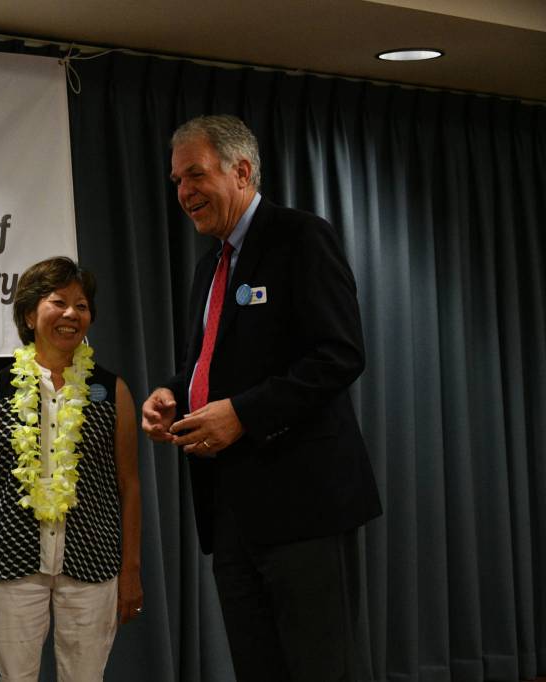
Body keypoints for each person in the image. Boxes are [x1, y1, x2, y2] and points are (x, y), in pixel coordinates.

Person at [141, 114, 382, 681]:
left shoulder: (301, 237)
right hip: (232, 513)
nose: (184, 193)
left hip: (304, 506)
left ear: (242, 171)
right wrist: (172, 394)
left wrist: (243, 416)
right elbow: (207, 366)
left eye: (194, 176)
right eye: (176, 181)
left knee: (321, 669)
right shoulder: (210, 267)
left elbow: (339, 353)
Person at [0, 256, 143, 682]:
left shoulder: (112, 392)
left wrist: (131, 570)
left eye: (82, 305)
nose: (72, 314)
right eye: (59, 302)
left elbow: (129, 485)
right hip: (8, 565)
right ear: (29, 314)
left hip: (92, 564)